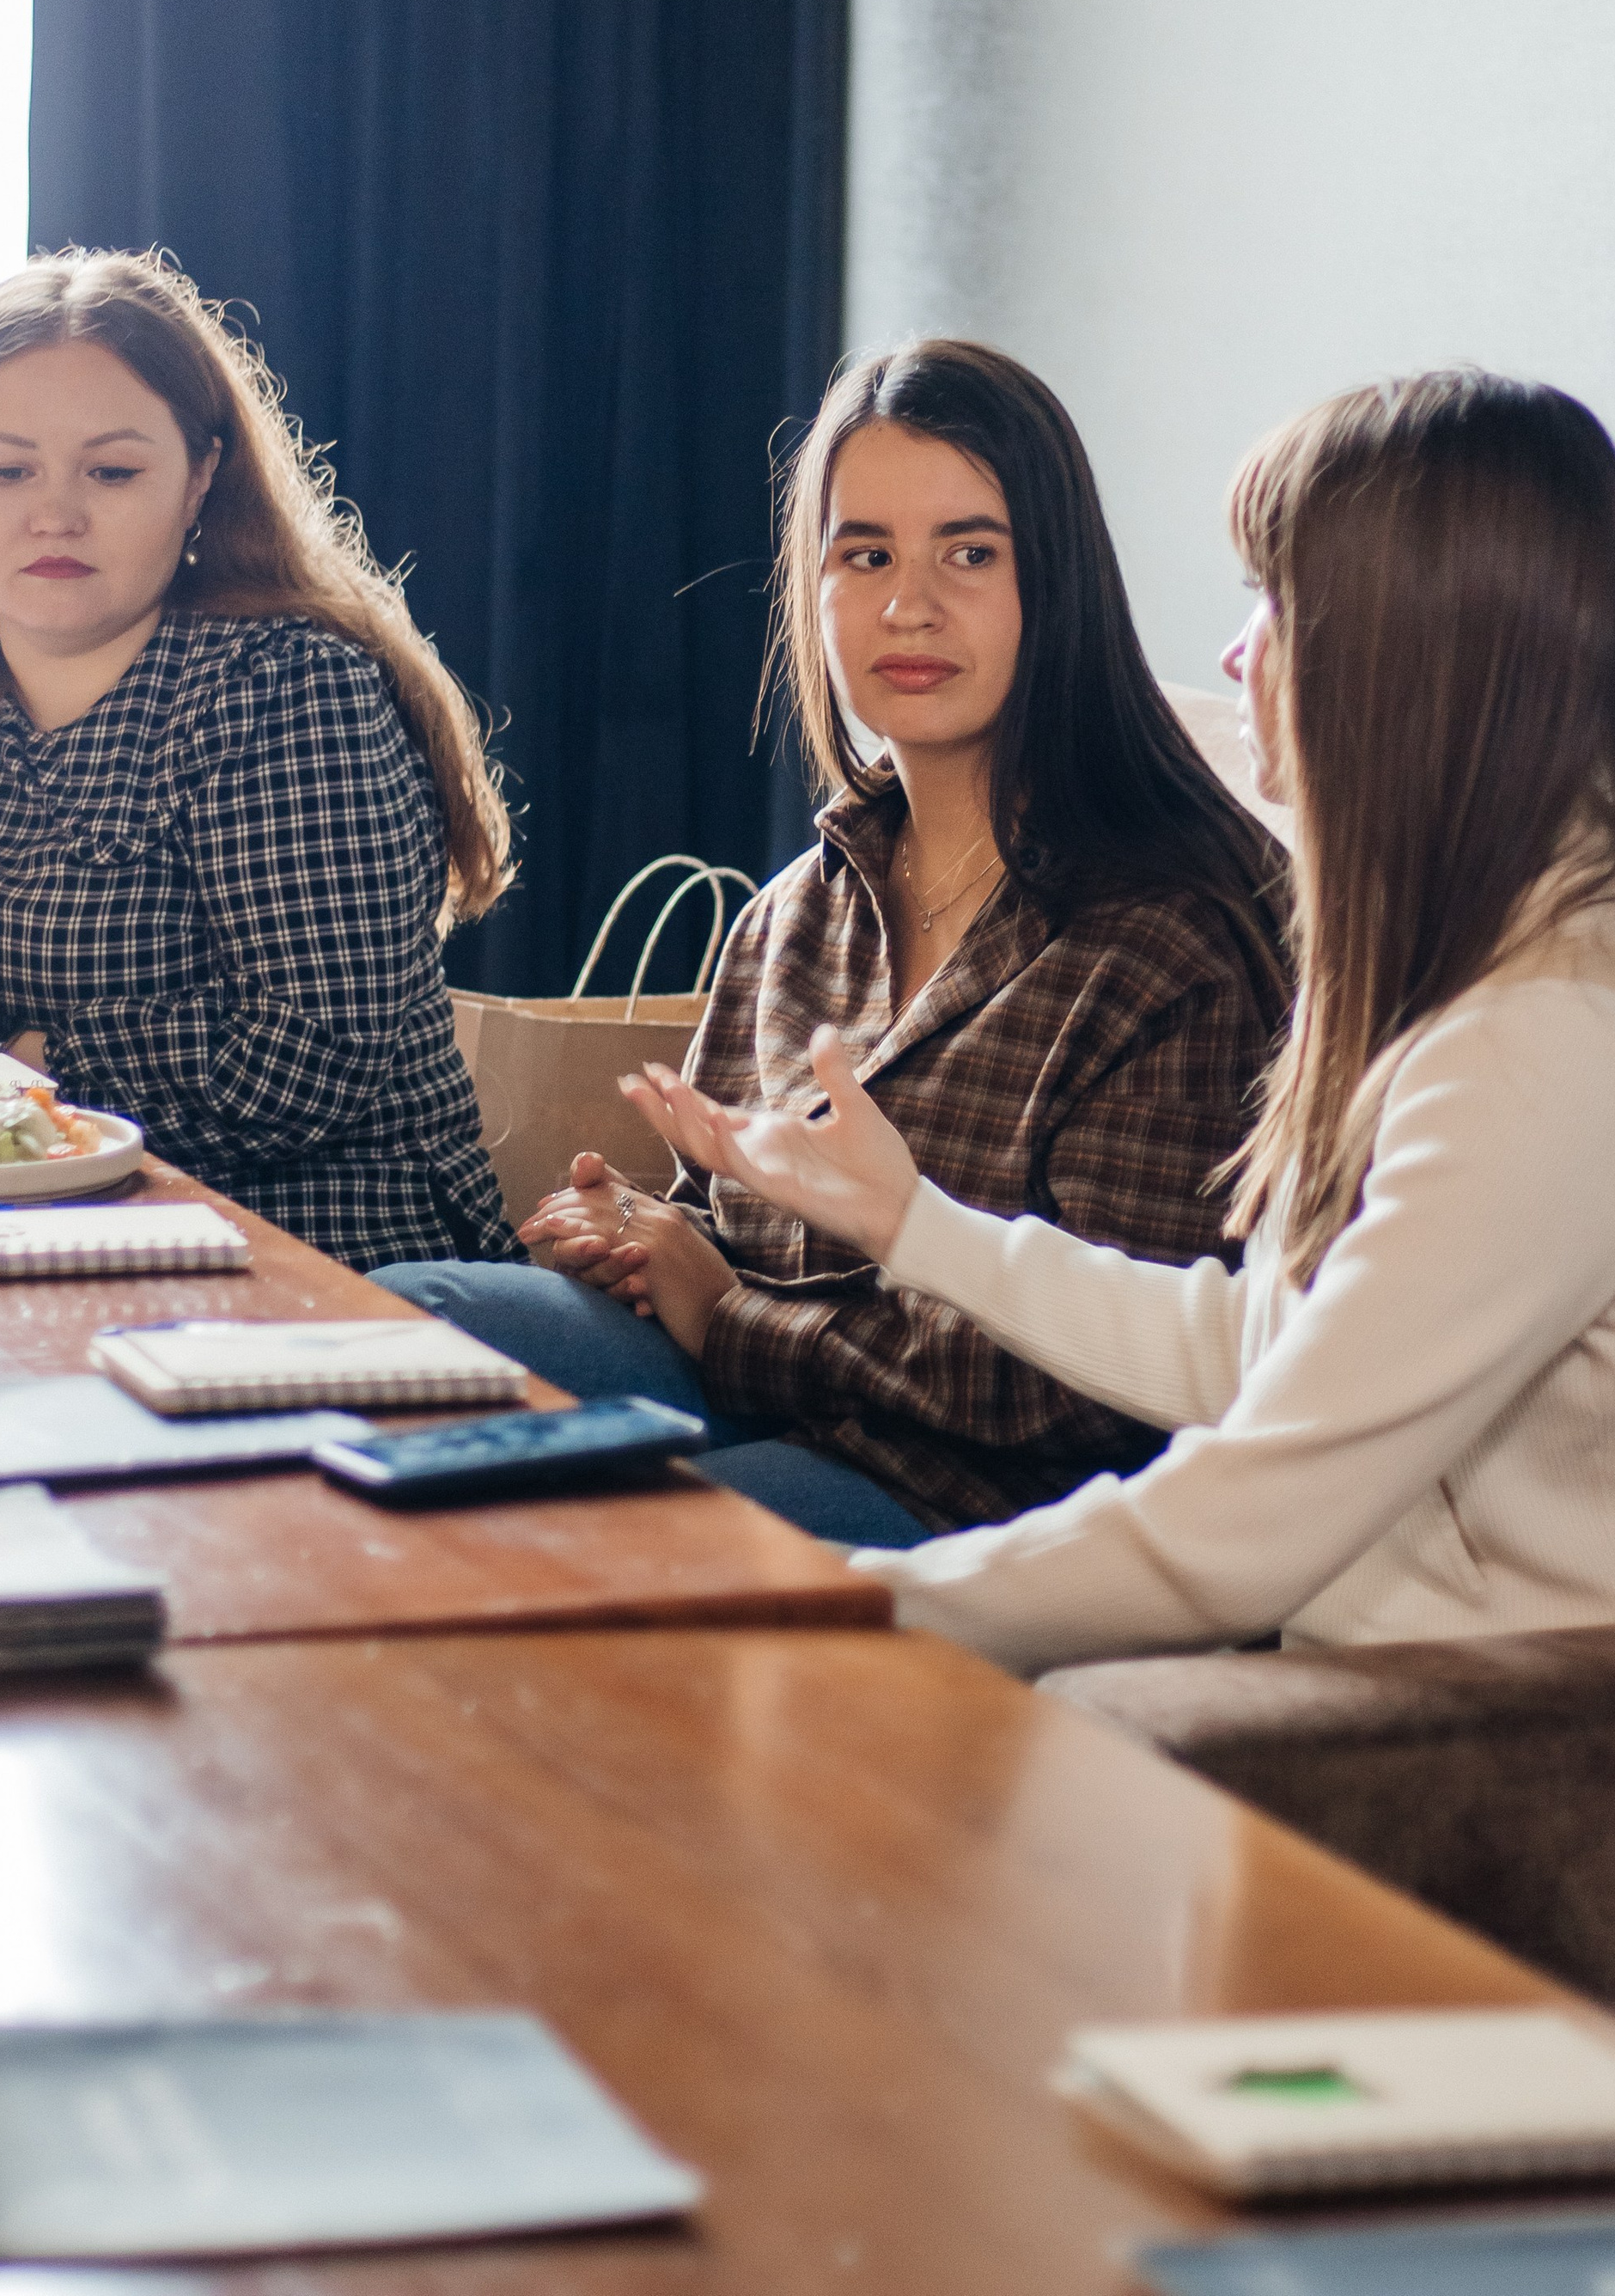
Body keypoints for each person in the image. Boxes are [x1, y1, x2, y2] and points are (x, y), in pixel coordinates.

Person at [624, 368, 1615, 1669]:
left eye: (1279, 601)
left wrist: (861, 1599)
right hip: (1404, 1699)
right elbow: (1269, 1349)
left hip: (1567, 1756)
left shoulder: (1562, 1040)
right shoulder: (1490, 952)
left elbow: (1242, 1525)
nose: (1235, 652)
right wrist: (912, 1224)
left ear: (1411, 654)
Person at [373, 339, 1289, 1546]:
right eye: (866, 556)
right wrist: (639, 1234)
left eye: (971, 552)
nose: (910, 605)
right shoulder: (796, 909)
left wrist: (724, 1317)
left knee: (592, 1550)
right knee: (401, 1328)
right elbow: (716, 1222)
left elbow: (1088, 1390)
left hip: (980, 1504)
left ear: (1055, 581)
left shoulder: (1176, 934)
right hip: (763, 1407)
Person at [0, 252, 515, 1270]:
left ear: (201, 478)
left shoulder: (287, 689)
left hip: (311, 1250)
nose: (55, 515)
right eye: (5, 470)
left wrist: (21, 1065)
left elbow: (306, 1055)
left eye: (112, 472)